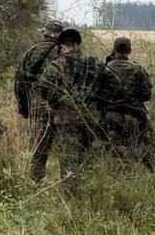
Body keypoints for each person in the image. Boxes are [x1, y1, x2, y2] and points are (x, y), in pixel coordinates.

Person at [34, 29, 102, 193]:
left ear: (64, 46)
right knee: (86, 156)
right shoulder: (94, 63)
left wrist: (54, 100)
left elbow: (43, 88)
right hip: (91, 119)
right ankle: (89, 190)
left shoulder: (58, 65)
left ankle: (71, 196)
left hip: (66, 120)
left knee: (69, 158)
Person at [14, 20, 68, 183]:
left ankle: (35, 180)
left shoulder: (32, 52)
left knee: (40, 145)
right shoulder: (64, 52)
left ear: (45, 33)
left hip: (37, 104)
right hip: (60, 105)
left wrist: (24, 107)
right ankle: (67, 181)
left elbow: (19, 81)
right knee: (65, 145)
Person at [98, 37, 155, 171]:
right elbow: (146, 95)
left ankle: (117, 175)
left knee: (113, 149)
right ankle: (132, 175)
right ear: (129, 51)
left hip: (110, 115)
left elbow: (97, 93)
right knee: (134, 147)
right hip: (133, 116)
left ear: (115, 50)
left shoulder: (104, 69)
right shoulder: (138, 69)